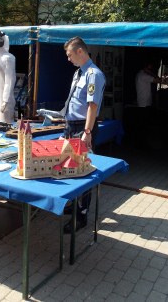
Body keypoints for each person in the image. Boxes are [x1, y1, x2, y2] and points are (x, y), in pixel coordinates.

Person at [61, 36, 106, 233]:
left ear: (80, 51)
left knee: (82, 171)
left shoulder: (93, 74)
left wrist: (86, 132)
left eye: (70, 55)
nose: (68, 59)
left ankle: (82, 215)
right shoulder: (78, 73)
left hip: (82, 127)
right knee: (69, 166)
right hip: (71, 125)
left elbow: (92, 106)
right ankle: (74, 203)